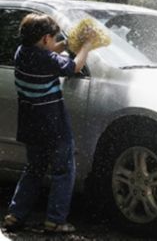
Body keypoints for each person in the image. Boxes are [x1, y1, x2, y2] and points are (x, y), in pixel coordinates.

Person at [3, 13, 93, 233]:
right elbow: (74, 67)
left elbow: (50, 51)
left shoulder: (22, 52)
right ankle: (55, 220)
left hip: (30, 124)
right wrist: (87, 46)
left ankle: (15, 215)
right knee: (63, 170)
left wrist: (67, 43)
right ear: (45, 39)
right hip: (53, 124)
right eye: (54, 38)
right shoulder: (47, 60)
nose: (55, 42)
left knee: (33, 169)